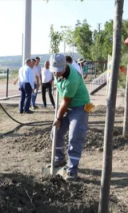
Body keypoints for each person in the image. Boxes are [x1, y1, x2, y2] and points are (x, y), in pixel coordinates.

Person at [50, 53, 90, 181]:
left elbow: (66, 101)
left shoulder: (72, 79)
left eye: (58, 71)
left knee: (75, 136)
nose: (56, 74)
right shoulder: (57, 72)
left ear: (65, 66)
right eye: (54, 71)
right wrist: (59, 117)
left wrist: (58, 118)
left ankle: (72, 169)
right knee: (56, 132)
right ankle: (59, 159)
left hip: (81, 105)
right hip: (67, 104)